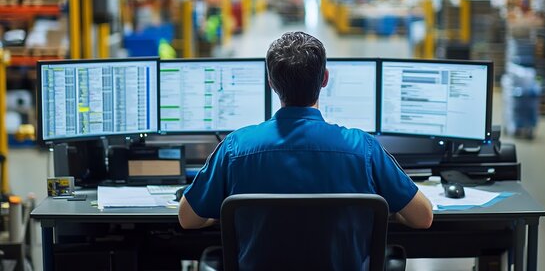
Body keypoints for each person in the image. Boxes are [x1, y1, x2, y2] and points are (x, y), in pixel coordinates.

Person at [179, 31, 433, 264]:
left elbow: (188, 219)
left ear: (270, 82)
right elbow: (422, 217)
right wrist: (385, 211)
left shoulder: (236, 147)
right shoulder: (362, 148)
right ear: (324, 79)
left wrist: (224, 213)